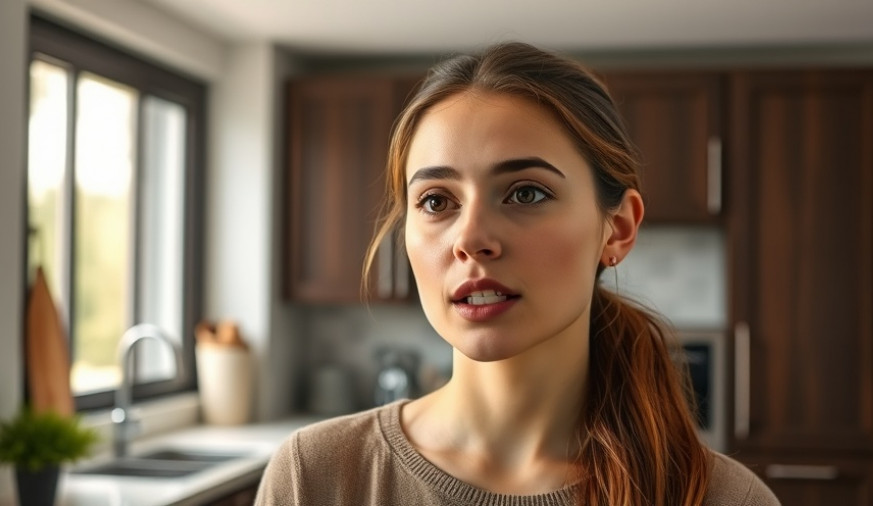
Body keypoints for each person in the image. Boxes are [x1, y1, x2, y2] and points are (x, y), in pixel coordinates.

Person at [255, 41, 780, 506]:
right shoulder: (313, 477)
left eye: (526, 193)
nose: (470, 239)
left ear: (617, 229)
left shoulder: (724, 499)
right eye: (436, 201)